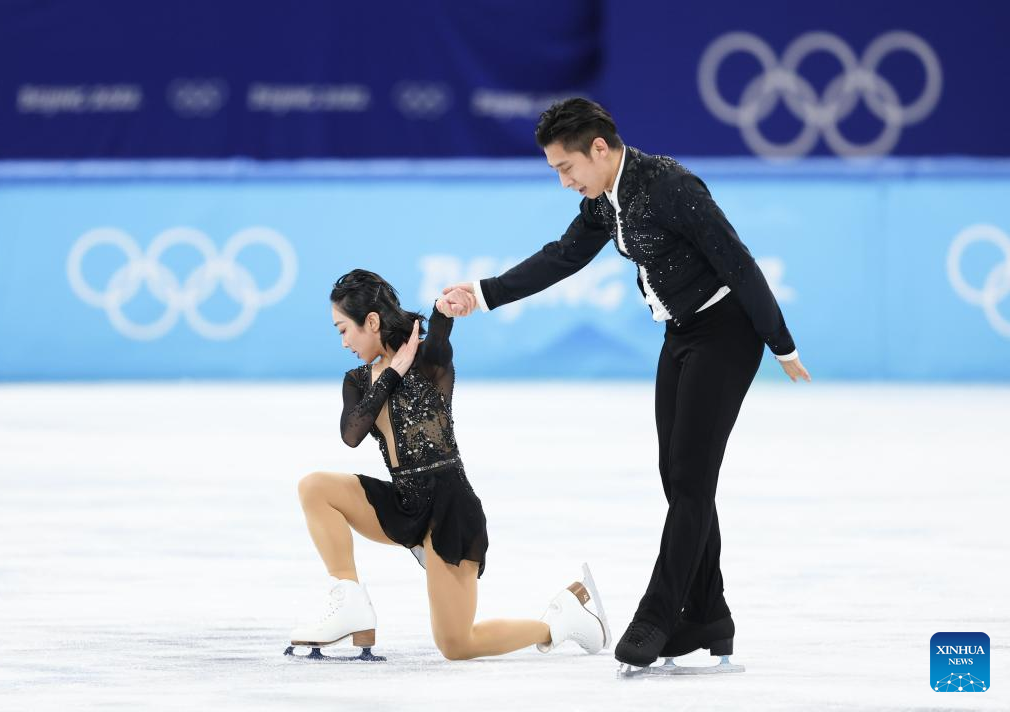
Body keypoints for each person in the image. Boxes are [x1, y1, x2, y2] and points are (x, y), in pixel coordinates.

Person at [441, 98, 811, 672]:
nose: (563, 181)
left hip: (728, 332)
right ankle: (709, 615)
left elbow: (736, 261)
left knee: (690, 479)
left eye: (566, 168)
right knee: (680, 479)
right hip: (681, 334)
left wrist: (779, 341)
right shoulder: (604, 200)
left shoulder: (668, 185)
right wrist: (483, 294)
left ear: (599, 149)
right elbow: (562, 257)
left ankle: (658, 616)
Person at [288, 268, 610, 661]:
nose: (343, 342)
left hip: (448, 509)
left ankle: (560, 622)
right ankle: (348, 598)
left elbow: (438, 336)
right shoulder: (358, 379)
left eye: (343, 330)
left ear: (371, 322)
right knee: (315, 487)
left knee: (456, 645)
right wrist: (391, 373)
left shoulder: (429, 360)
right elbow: (351, 434)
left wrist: (444, 313)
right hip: (403, 504)